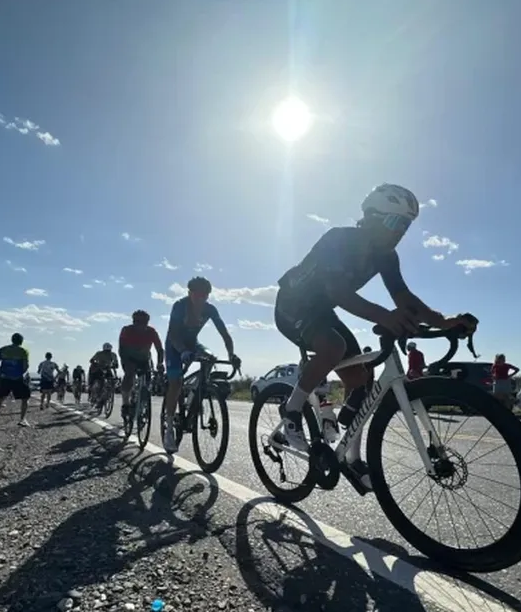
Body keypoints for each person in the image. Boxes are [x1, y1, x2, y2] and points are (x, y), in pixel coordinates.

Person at [273, 183, 477, 473]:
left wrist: (443, 321)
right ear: (371, 216)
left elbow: (404, 298)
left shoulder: (386, 256)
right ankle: (292, 409)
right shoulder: (339, 239)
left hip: (321, 311)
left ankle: (352, 459)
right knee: (334, 346)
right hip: (292, 305)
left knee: (362, 379)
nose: (400, 231)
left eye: (406, 225)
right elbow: (337, 291)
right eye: (395, 222)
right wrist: (385, 317)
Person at [163, 276, 240, 452]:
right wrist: (182, 351)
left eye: (204, 295)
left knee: (210, 358)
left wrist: (231, 355)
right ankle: (168, 428)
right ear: (190, 293)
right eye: (197, 294)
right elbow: (173, 334)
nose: (200, 298)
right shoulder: (179, 306)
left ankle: (197, 394)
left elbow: (225, 334)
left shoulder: (210, 309)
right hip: (175, 345)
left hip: (193, 343)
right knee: (176, 383)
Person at [118, 309, 164, 420]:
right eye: (136, 322)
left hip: (144, 359)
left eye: (142, 322)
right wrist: (127, 364)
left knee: (147, 381)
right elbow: (121, 349)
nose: (139, 325)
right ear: (133, 321)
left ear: (147, 322)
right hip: (128, 358)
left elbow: (159, 349)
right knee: (129, 375)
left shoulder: (151, 332)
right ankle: (125, 403)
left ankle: (142, 401)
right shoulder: (126, 330)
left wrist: (160, 363)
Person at [0, 332, 31, 428]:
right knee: (25, 398)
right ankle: (22, 419)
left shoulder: (4, 349)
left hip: (4, 377)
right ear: (21, 341)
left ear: (12, 340)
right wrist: (18, 373)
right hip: (17, 378)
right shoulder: (23, 351)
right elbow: (25, 366)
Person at [88, 342, 119, 409]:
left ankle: (107, 394)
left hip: (108, 369)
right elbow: (91, 360)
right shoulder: (99, 353)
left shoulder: (113, 355)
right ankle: (94, 394)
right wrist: (95, 363)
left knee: (112, 380)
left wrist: (115, 365)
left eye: (109, 351)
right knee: (98, 381)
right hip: (99, 369)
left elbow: (116, 363)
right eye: (106, 351)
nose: (107, 352)